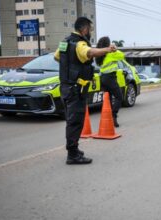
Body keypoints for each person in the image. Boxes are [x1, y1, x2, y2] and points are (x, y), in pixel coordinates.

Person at [54, 17, 116, 165]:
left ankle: (74, 150)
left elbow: (57, 57)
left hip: (66, 87)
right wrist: (108, 49)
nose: (90, 32)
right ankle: (73, 154)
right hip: (76, 89)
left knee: (72, 120)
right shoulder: (79, 44)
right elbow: (90, 52)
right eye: (90, 29)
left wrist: (71, 66)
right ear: (84, 29)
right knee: (75, 122)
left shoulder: (65, 42)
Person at [95, 36, 125, 128]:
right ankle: (114, 115)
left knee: (108, 99)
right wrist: (114, 49)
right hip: (110, 78)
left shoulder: (99, 56)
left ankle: (111, 119)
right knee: (119, 97)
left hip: (103, 79)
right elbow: (122, 56)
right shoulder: (111, 54)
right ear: (107, 45)